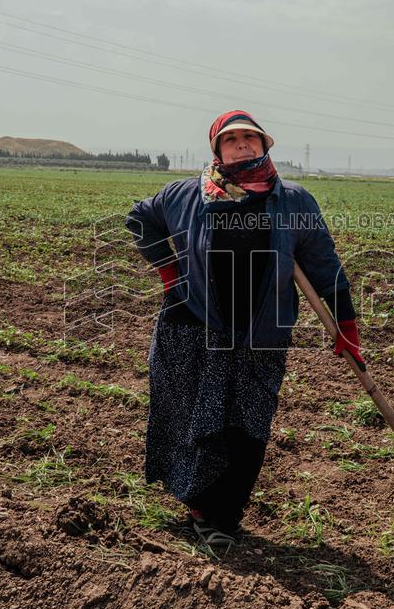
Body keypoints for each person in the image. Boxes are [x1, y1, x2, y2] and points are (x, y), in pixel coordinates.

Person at [125, 110, 364, 549]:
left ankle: (224, 512)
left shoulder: (293, 202)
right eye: (230, 139)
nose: (241, 145)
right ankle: (205, 514)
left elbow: (326, 266)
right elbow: (142, 219)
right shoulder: (186, 195)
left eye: (249, 138)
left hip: (261, 336)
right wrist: (169, 273)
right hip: (192, 327)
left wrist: (345, 326)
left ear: (264, 144)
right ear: (216, 148)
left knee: (247, 426)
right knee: (195, 420)